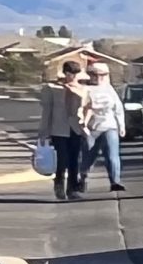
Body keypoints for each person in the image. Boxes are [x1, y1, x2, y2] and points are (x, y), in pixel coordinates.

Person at [38, 61, 89, 200]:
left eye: (74, 74)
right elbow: (47, 111)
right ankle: (59, 185)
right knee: (62, 159)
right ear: (64, 73)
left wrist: (86, 124)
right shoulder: (53, 89)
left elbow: (88, 108)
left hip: (76, 128)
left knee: (74, 160)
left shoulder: (83, 90)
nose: (71, 77)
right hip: (58, 129)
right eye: (69, 74)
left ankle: (72, 189)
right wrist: (44, 132)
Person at [78, 61, 126, 194]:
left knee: (112, 155)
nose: (99, 78)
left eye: (103, 75)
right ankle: (82, 178)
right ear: (90, 75)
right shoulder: (85, 89)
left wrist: (121, 125)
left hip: (109, 125)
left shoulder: (109, 89)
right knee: (88, 157)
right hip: (91, 128)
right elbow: (80, 108)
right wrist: (82, 124)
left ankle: (115, 181)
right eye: (95, 75)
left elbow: (118, 108)